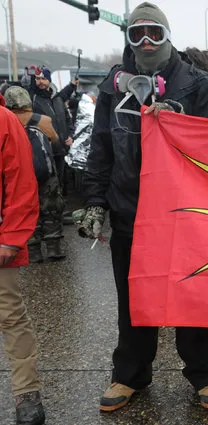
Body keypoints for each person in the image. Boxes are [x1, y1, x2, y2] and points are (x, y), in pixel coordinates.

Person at [80, 2, 208, 412]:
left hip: (184, 213)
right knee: (133, 299)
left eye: (155, 33)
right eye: (137, 33)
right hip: (130, 210)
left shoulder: (199, 84)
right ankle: (130, 374)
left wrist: (181, 127)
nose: (146, 42)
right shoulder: (114, 86)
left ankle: (204, 372)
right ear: (128, 39)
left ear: (168, 36)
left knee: (191, 293)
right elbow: (101, 147)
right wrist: (94, 200)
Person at [0, 95, 45, 425]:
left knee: (10, 317)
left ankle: (26, 392)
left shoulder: (4, 120)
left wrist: (12, 239)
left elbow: (21, 182)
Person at [4, 85, 65, 263]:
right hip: (46, 173)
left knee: (28, 210)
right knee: (52, 209)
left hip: (20, 176)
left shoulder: (6, 120)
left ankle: (33, 251)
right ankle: (54, 248)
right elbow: (55, 142)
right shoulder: (43, 120)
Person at [27, 66, 78, 189]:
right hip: (44, 151)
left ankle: (59, 203)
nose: (40, 82)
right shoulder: (33, 99)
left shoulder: (57, 98)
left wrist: (70, 136)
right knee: (46, 184)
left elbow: (67, 120)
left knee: (60, 180)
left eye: (43, 78)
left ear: (49, 80)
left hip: (60, 148)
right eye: (37, 79)